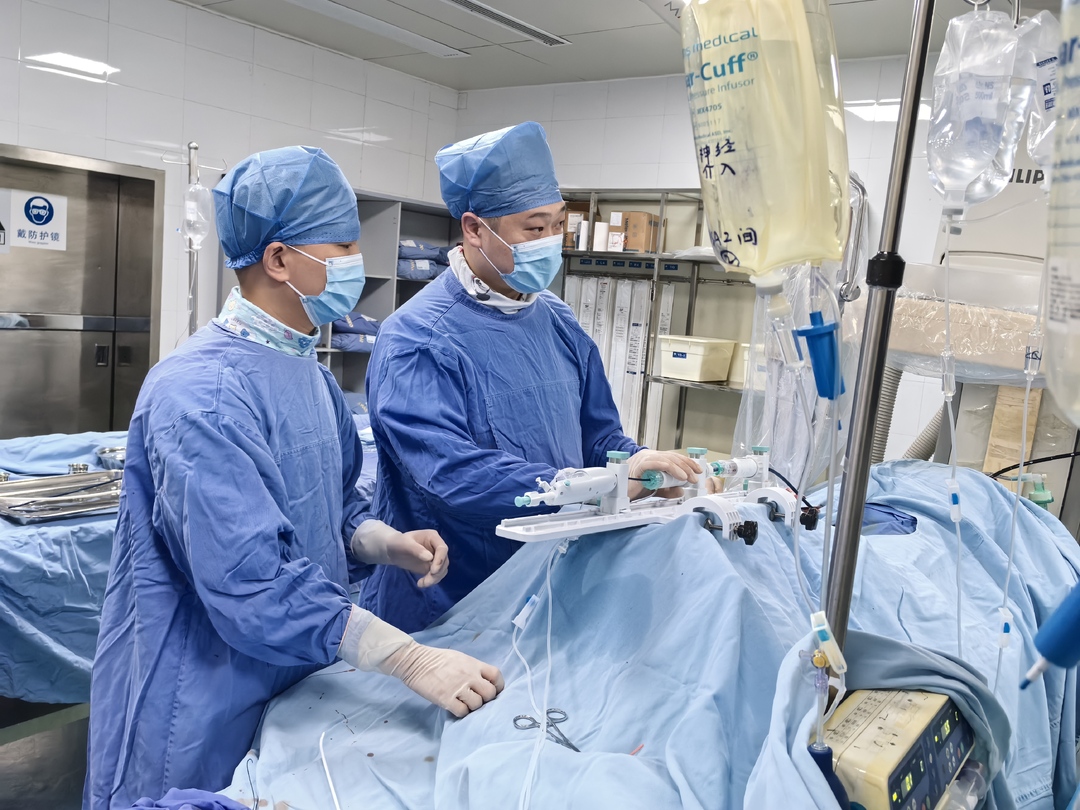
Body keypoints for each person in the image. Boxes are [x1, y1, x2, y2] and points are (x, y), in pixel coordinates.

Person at [84, 146, 503, 810]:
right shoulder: (200, 396)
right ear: (279, 259)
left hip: (297, 674)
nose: (356, 261)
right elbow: (249, 579)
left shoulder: (309, 375)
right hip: (204, 696)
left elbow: (329, 506)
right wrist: (408, 658)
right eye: (343, 245)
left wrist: (382, 542)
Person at [361, 123, 704, 633]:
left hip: (550, 583)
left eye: (558, 225)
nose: (550, 242)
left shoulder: (557, 321)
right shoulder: (418, 339)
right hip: (451, 600)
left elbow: (598, 437)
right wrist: (585, 488)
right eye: (534, 228)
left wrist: (638, 465)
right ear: (474, 229)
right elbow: (453, 475)